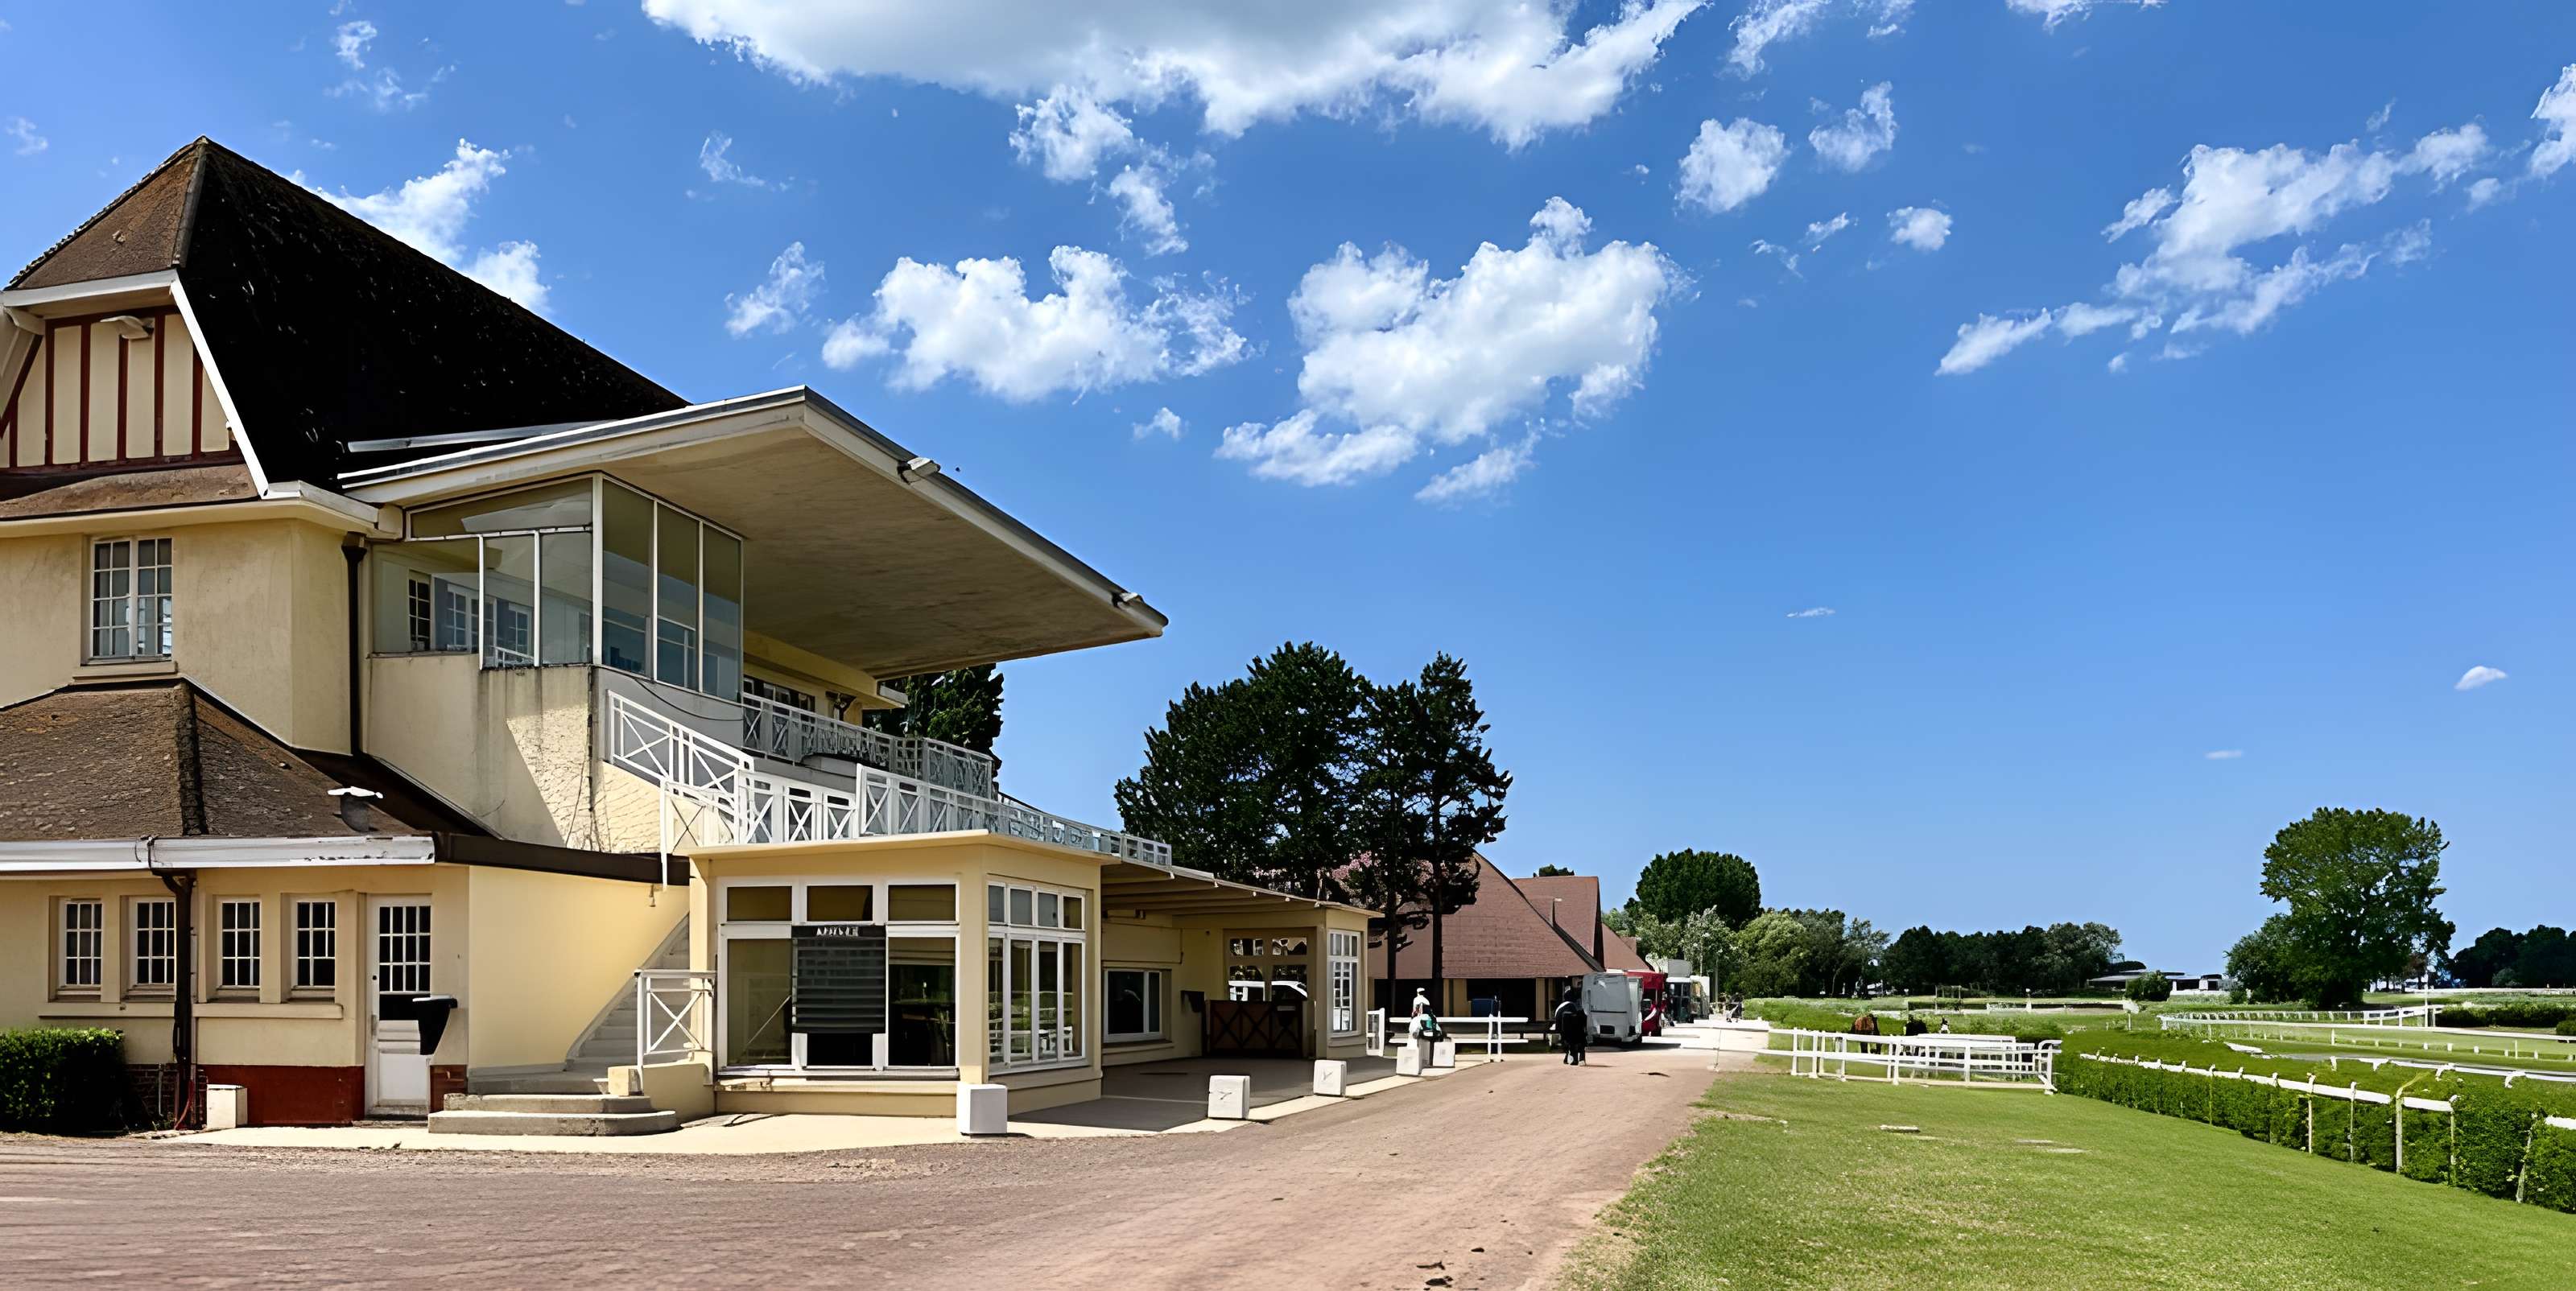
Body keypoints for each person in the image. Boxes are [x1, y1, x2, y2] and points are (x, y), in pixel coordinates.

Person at [1553, 986, 1589, 1066]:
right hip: (1576, 1030)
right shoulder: (1576, 1007)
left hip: (1565, 1030)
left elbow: (1558, 1023)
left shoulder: (1560, 1008)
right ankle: (1580, 1058)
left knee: (1569, 1042)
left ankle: (1570, 1057)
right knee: (1579, 1041)